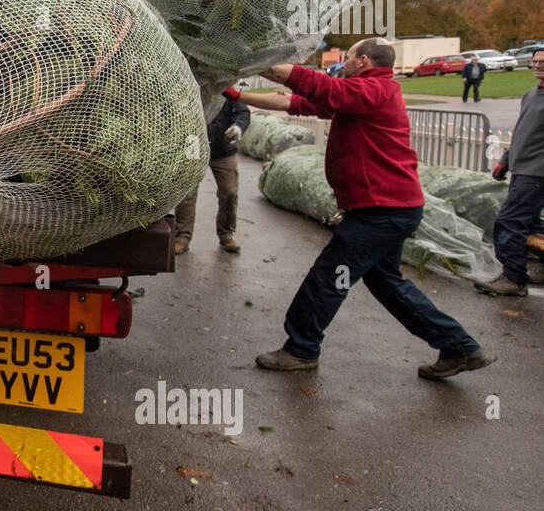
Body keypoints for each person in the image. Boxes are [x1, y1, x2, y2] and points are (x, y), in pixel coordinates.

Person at [227, 38, 492, 381]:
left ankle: (301, 348)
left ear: (364, 61)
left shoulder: (376, 91)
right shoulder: (360, 95)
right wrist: (235, 96)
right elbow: (296, 102)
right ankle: (459, 346)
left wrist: (250, 58)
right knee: (387, 283)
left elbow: (317, 85)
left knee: (329, 276)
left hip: (382, 212)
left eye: (348, 57)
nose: (343, 62)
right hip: (388, 209)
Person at [474, 46, 544, 296]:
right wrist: (505, 160)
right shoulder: (531, 94)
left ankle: (514, 278)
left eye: (543, 62)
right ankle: (535, 268)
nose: (537, 65)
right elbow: (523, 132)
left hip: (536, 174)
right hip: (521, 168)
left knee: (509, 221)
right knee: (532, 226)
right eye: (535, 61)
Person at [174, 95, 250, 254]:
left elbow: (243, 113)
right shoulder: (195, 85)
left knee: (229, 191)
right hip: (193, 143)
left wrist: (238, 127)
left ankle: (226, 234)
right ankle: (182, 236)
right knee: (187, 193)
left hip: (223, 145)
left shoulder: (228, 89)